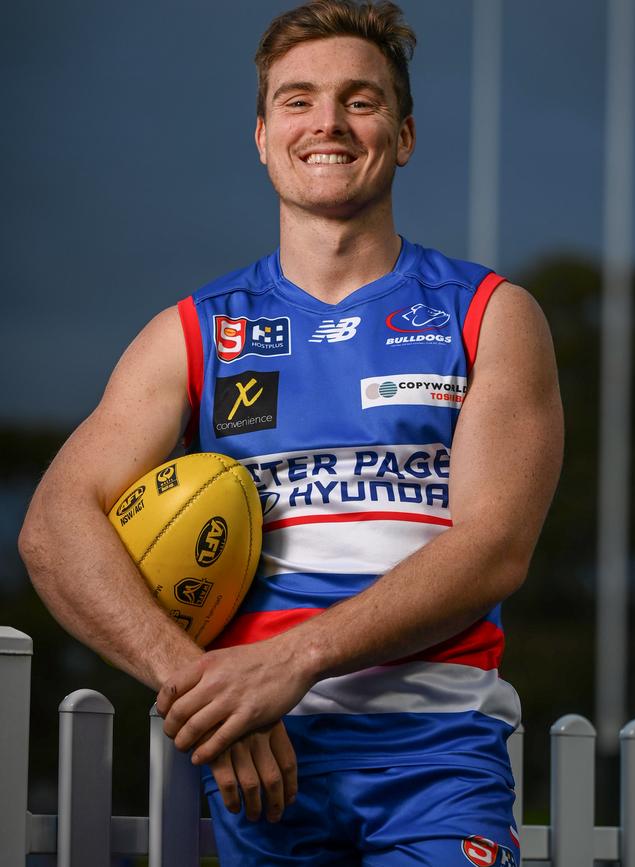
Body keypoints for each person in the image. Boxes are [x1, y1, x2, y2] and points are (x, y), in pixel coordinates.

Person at [19, 1, 563, 864]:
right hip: (260, 759)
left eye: (361, 99)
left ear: (406, 133)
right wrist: (197, 686)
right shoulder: (193, 331)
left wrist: (295, 658)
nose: (330, 123)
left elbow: (493, 549)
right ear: (264, 136)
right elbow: (53, 526)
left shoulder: (489, 314)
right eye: (299, 100)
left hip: (436, 750)